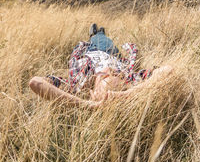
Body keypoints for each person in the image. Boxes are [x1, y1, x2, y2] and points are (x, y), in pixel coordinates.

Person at [29, 24, 172, 108]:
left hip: (91, 52)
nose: (109, 71)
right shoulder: (132, 80)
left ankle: (94, 34)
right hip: (113, 55)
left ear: (95, 91)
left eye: (104, 76)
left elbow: (35, 82)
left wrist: (88, 105)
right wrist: (123, 96)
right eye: (114, 74)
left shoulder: (77, 87)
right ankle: (100, 32)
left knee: (94, 40)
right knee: (105, 40)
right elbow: (168, 71)